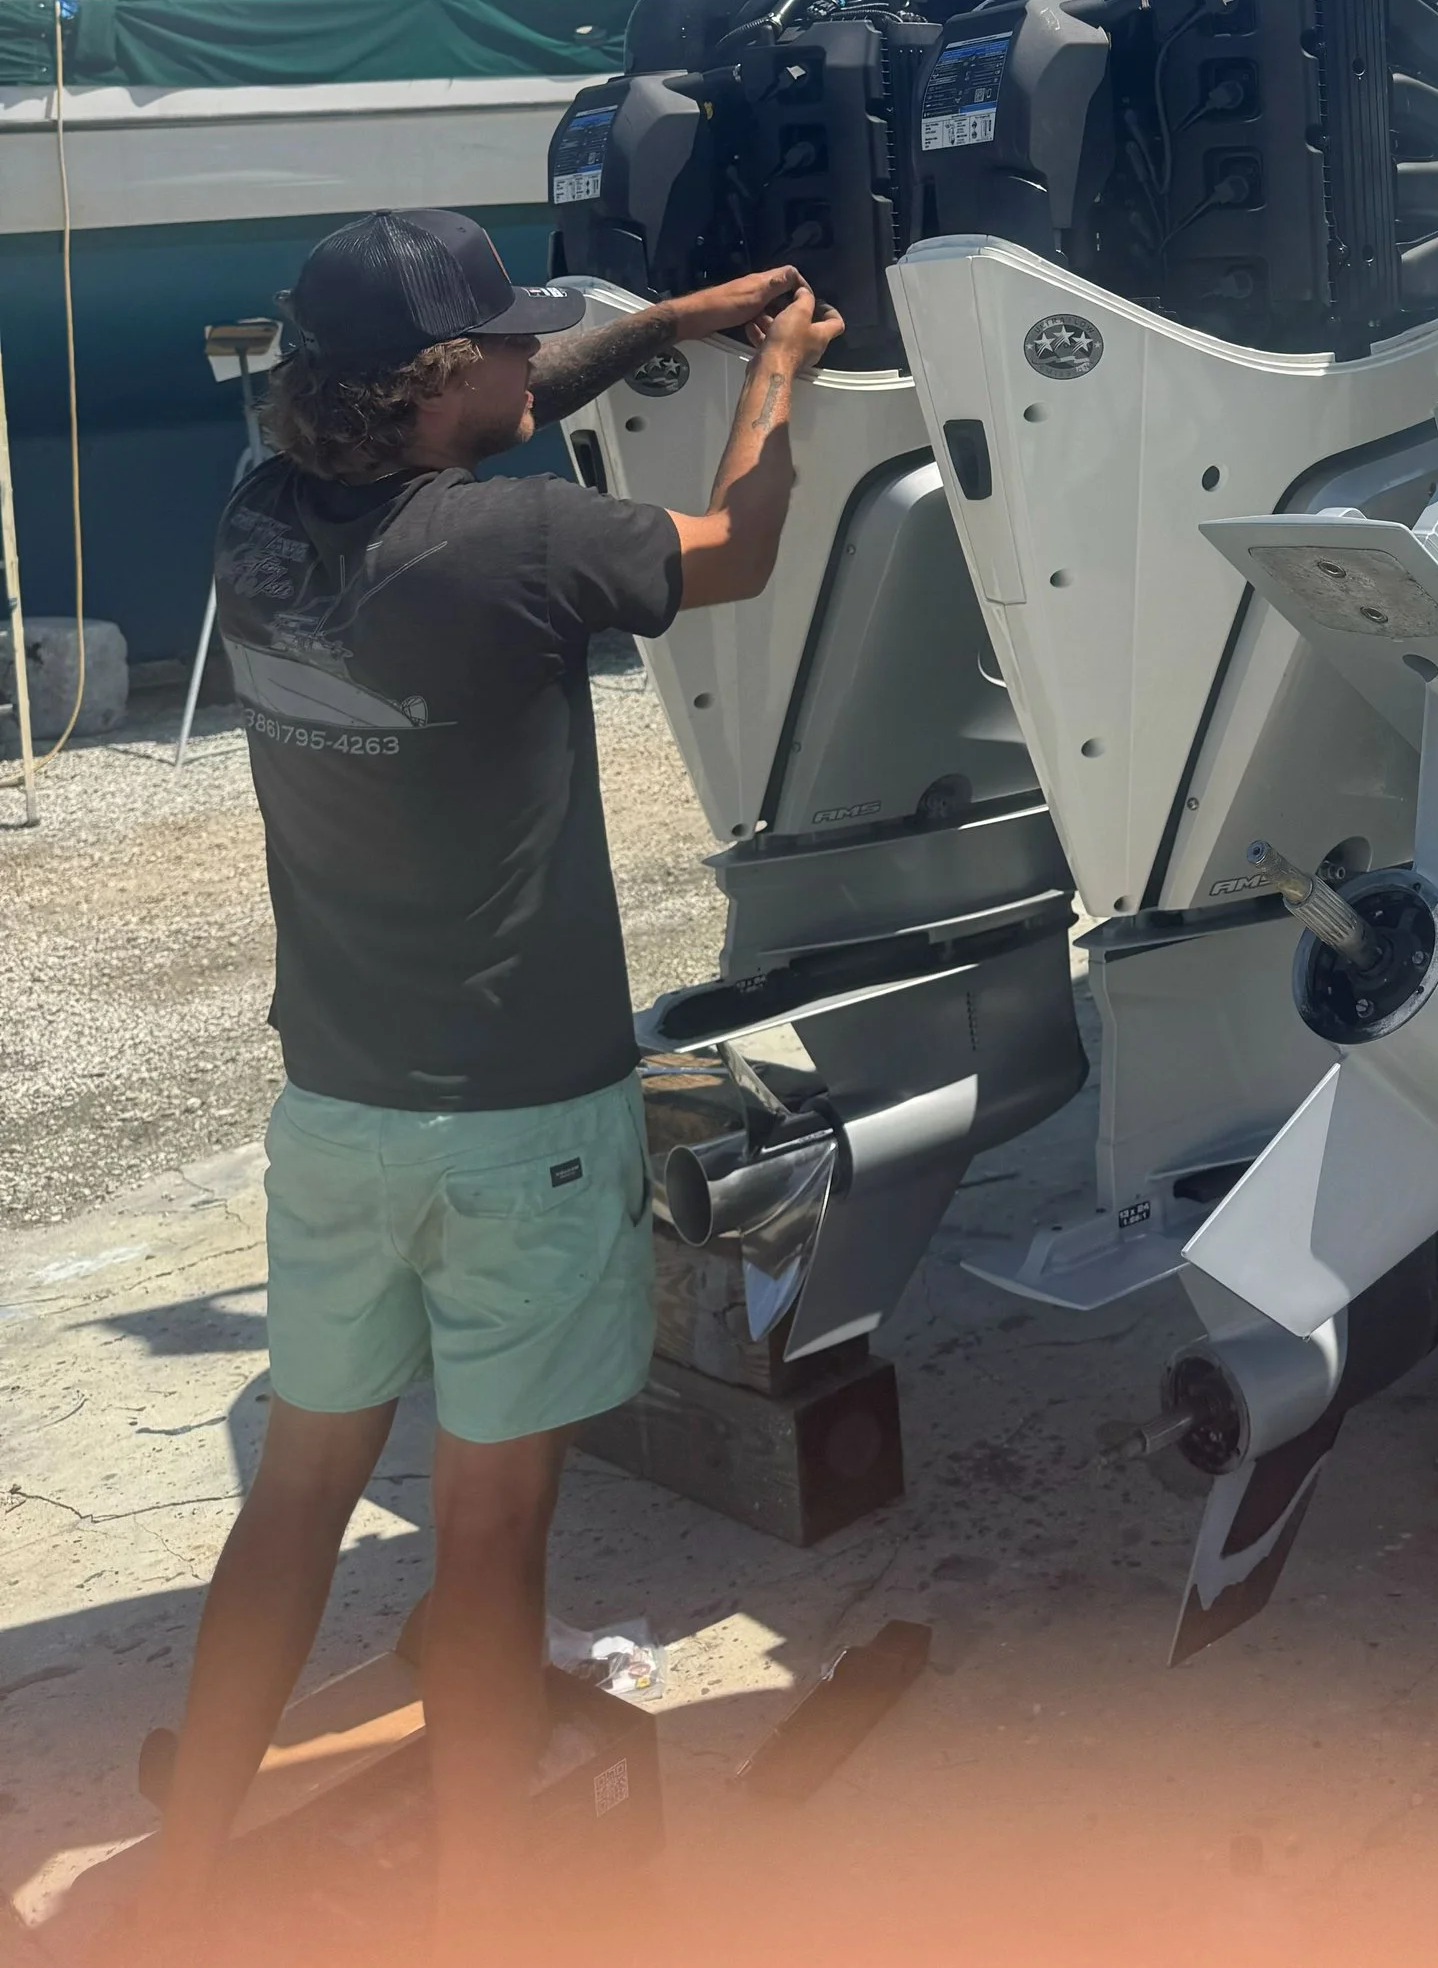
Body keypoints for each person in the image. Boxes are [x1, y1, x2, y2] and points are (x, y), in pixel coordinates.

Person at [136, 208, 839, 1956]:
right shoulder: (520, 546)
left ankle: (181, 1879)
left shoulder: (261, 517)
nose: (538, 356)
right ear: (446, 385)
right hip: (517, 1120)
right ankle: (481, 1915)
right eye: (510, 344)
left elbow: (496, 403)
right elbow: (737, 550)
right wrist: (780, 374)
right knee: (491, 1538)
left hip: (338, 1111)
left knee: (298, 1498)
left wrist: (660, 317)